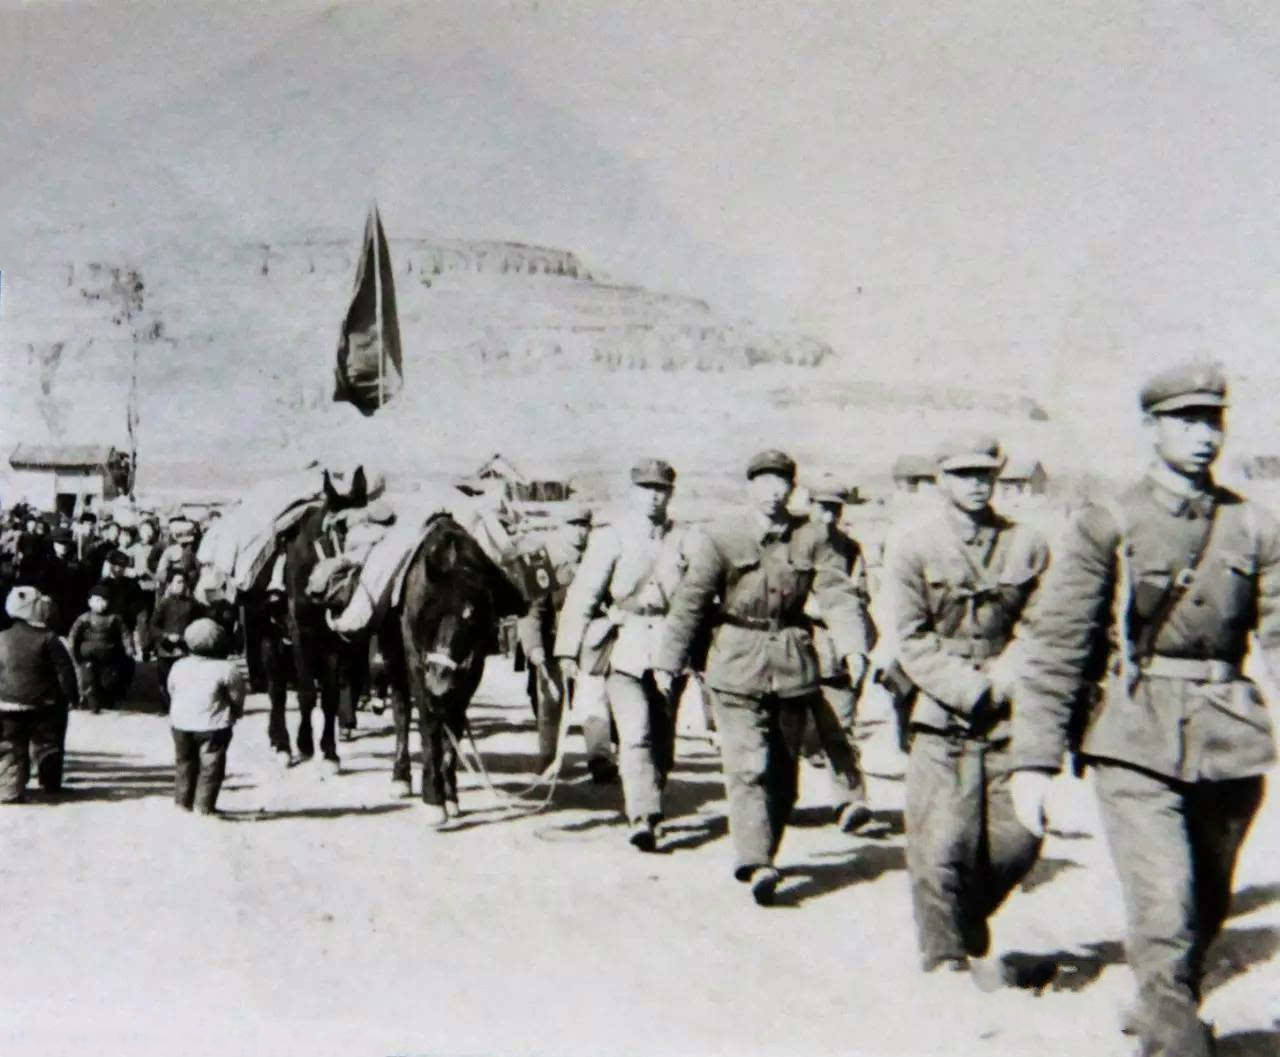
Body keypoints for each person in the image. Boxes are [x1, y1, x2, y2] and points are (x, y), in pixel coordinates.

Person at [1010, 364, 1279, 1057]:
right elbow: (1059, 643)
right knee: (1163, 899)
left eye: (1211, 420)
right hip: (1133, 734)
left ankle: (1167, 1000)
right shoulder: (1111, 522)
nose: (1201, 434)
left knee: (1205, 903)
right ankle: (1172, 1035)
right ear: (1150, 429)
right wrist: (1034, 760)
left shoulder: (1254, 525)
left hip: (1231, 738)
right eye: (1184, 420)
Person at [655, 450, 875, 904]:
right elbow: (691, 602)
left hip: (793, 667)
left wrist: (854, 646)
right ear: (750, 487)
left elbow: (836, 593)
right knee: (747, 766)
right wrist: (668, 660)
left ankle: (765, 849)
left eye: (783, 483)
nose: (774, 491)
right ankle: (756, 861)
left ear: (793, 490)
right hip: (735, 665)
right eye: (765, 482)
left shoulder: (812, 537)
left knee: (783, 775)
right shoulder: (721, 537)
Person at [880, 435, 1049, 976]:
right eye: (962, 474)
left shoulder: (1027, 544)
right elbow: (910, 636)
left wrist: (1006, 678)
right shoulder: (913, 545)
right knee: (939, 844)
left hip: (1010, 709)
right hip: (939, 711)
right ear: (941, 480)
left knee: (1017, 841)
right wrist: (968, 689)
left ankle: (965, 918)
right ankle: (944, 957)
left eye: (985, 474)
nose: (976, 484)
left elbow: (1042, 625)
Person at [555, 459, 690, 851]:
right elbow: (583, 595)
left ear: (670, 494)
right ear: (633, 492)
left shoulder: (683, 539)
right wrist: (567, 649)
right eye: (646, 488)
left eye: (661, 489)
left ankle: (653, 795)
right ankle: (643, 816)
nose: (653, 496)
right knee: (635, 734)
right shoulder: (612, 537)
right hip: (626, 647)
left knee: (663, 739)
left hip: (670, 649)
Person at [518, 504, 615, 780]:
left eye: (584, 526)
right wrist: (534, 648)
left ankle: (599, 758)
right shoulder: (540, 561)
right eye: (573, 525)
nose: (579, 532)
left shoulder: (600, 558)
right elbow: (532, 610)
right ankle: (547, 758)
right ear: (560, 527)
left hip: (590, 641)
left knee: (594, 697)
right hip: (551, 641)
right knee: (551, 700)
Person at [804, 475, 877, 832]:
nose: (828, 517)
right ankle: (774, 801)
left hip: (835, 655)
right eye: (822, 508)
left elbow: (861, 596)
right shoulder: (790, 545)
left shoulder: (850, 549)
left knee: (841, 731)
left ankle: (850, 802)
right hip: (795, 655)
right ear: (808, 505)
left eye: (835, 509)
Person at [0, 587, 78, 801]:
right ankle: (50, 783)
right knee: (47, 744)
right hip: (43, 704)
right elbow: (65, 672)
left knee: (10, 747)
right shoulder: (48, 638)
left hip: (6, 704)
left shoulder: (1, 638)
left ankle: (9, 789)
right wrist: (71, 696)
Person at [167, 617, 245, 816]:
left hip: (181, 723)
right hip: (213, 724)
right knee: (211, 766)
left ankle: (182, 803)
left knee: (184, 763)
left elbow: (171, 689)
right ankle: (204, 806)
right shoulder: (227, 668)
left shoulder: (178, 665)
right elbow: (236, 695)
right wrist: (236, 712)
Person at [68, 584, 134, 712]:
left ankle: (108, 701)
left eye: (104, 600)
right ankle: (93, 704)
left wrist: (129, 647)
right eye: (97, 600)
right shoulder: (84, 618)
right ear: (90, 602)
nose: (101, 604)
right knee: (89, 680)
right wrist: (72, 648)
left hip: (108, 656)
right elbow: (73, 634)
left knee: (107, 681)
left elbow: (125, 633)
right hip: (88, 656)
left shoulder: (114, 618)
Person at [150, 570, 205, 705]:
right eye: (178, 582)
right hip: (166, 649)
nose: (182, 585)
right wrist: (166, 636)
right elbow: (152, 626)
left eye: (184, 582)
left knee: (187, 680)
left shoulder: (192, 604)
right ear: (170, 584)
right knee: (166, 681)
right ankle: (168, 704)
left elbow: (199, 623)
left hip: (185, 648)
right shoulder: (163, 604)